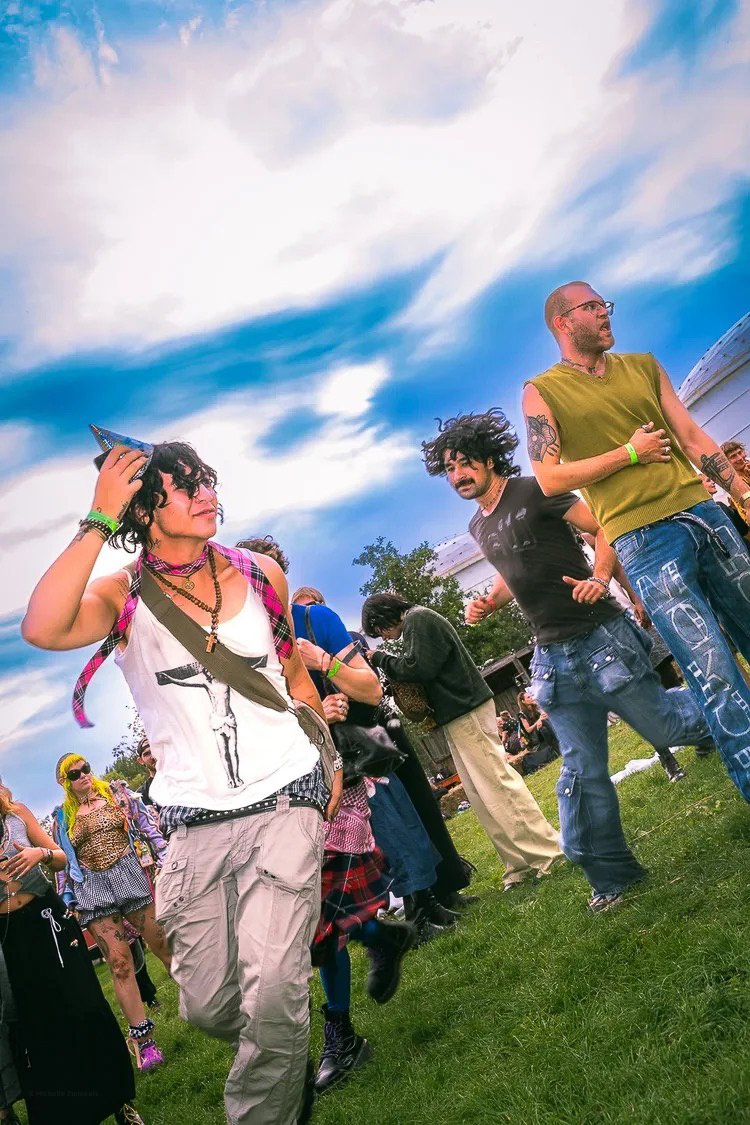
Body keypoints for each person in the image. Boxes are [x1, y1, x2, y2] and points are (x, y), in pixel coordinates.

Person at [23, 436, 343, 1125]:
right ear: (142, 508)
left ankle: (268, 1097)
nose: (207, 494)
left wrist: (326, 763)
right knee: (206, 1000)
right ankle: (285, 1056)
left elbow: (291, 677)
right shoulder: (122, 598)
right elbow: (42, 626)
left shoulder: (260, 572)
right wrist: (97, 521)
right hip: (193, 824)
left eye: (208, 480)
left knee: (273, 984)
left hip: (287, 795)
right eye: (185, 485)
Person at [421, 409, 714, 910]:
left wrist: (601, 578)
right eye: (449, 469)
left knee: (667, 727)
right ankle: (612, 877)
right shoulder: (478, 526)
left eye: (465, 463)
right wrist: (492, 599)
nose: (458, 476)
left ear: (491, 460)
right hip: (552, 657)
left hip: (601, 636)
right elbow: (515, 570)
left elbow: (602, 527)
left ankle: (732, 712)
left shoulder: (534, 490)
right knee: (580, 770)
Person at [523, 283, 750, 802]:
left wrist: (741, 491)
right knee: (711, 669)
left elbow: (691, 437)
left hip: (704, 513)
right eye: (593, 307)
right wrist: (628, 454)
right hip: (645, 543)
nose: (605, 314)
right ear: (563, 321)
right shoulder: (542, 390)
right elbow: (551, 478)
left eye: (606, 306)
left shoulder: (644, 365)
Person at [361, 593, 563, 891]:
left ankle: (548, 853)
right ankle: (518, 864)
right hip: (456, 713)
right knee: (480, 794)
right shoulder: (419, 620)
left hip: (465, 708)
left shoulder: (418, 618)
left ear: (386, 615)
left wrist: (381, 659)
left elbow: (420, 668)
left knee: (497, 784)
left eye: (379, 628)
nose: (382, 635)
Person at [291, 583, 475, 910]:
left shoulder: (345, 637)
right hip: (351, 742)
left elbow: (371, 684)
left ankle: (448, 884)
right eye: (305, 607)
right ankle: (422, 899)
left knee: (421, 807)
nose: (312, 614)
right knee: (392, 820)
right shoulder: (290, 652)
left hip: (381, 726)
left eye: (315, 606)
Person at [0, 783, 143, 1124]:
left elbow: (62, 858)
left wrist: (41, 855)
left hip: (46, 920)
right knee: (41, 1023)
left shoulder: (17, 814)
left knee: (86, 1003)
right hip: (10, 936)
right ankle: (68, 1112)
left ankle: (120, 1100)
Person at [52, 754, 171, 1069]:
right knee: (119, 964)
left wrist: (167, 858)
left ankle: (208, 1002)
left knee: (164, 945)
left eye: (85, 768)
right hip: (92, 889)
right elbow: (64, 864)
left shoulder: (117, 794)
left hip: (130, 876)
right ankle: (145, 1044)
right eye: (74, 773)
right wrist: (67, 899)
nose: (83, 776)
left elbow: (148, 829)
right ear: (66, 781)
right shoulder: (62, 817)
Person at [515, 692, 560, 773]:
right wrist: (539, 721)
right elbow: (528, 730)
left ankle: (560, 740)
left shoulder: (535, 706)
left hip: (542, 728)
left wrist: (543, 717)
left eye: (531, 696)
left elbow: (545, 714)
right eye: (528, 697)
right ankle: (559, 741)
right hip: (534, 736)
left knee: (545, 722)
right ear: (523, 701)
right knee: (544, 725)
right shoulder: (522, 714)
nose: (531, 698)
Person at [136, 736, 157, 806]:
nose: (153, 757)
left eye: (156, 750)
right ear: (141, 761)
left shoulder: (186, 777)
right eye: (147, 753)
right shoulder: (140, 796)